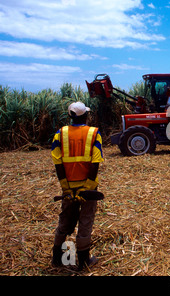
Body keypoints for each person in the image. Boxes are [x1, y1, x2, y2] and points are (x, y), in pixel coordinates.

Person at [50, 101, 104, 271]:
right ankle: (83, 261)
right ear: (86, 116)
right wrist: (87, 187)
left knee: (65, 219)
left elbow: (58, 163)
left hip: (68, 187)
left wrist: (65, 187)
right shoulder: (94, 133)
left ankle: (58, 259)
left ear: (70, 116)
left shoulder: (60, 134)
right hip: (87, 189)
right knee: (85, 221)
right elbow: (95, 163)